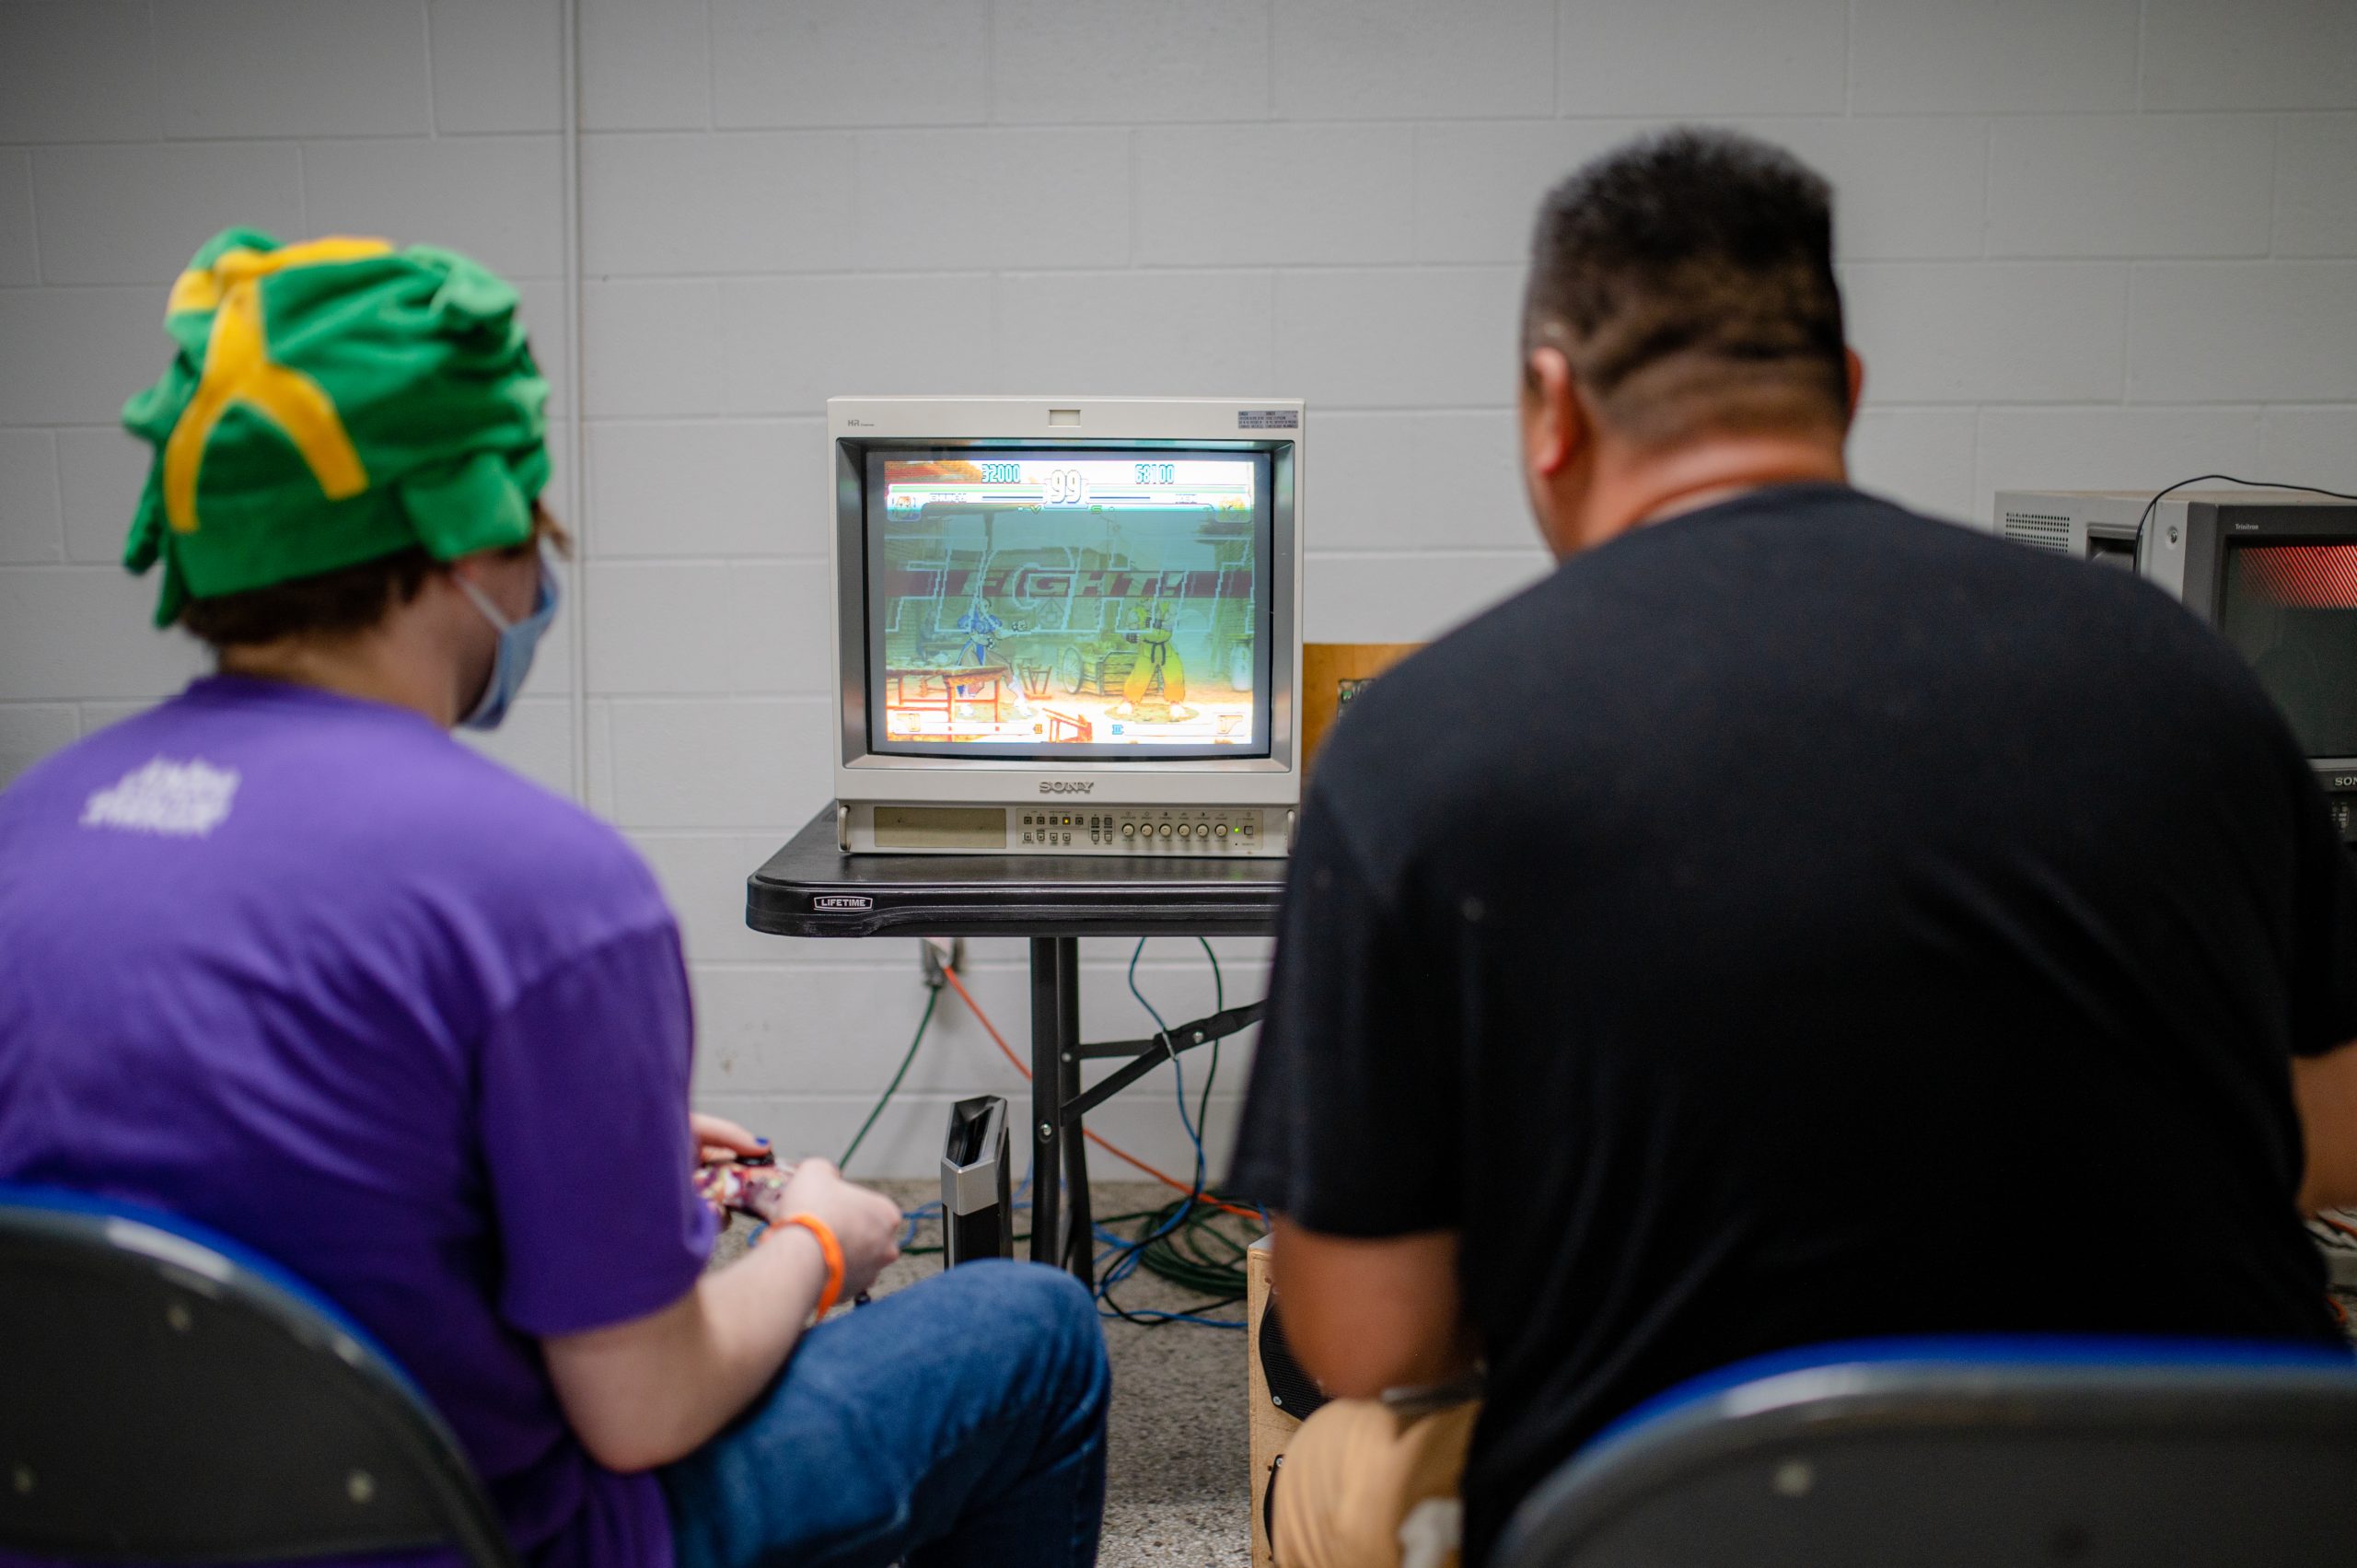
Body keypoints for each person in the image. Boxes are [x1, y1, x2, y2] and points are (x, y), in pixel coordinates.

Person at [1228, 128, 2357, 1568]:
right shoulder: (2186, 675)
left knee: (1329, 1460)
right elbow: (2333, 1131)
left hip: (1666, 1518)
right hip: (2206, 1507)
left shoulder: (1420, 740)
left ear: (1552, 408)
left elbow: (1366, 1332)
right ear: (1847, 393)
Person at [0, 229, 1109, 1568]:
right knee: (1038, 1331)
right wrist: (819, 1241)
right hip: (493, 1542)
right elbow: (646, 1408)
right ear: (470, 532)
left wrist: (579, 1150)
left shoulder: (28, 831)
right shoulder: (545, 889)